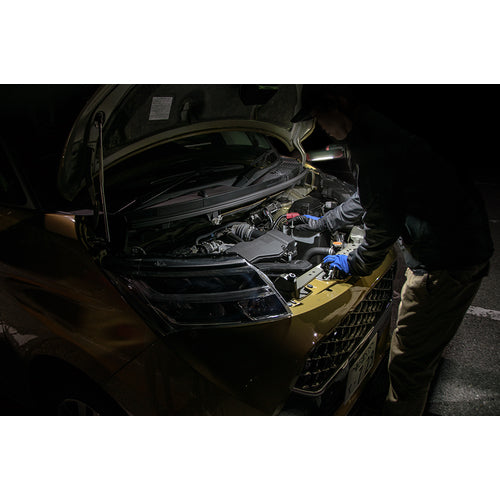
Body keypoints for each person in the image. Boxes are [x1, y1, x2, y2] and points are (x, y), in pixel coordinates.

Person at [291, 85, 494, 415]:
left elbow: (381, 226)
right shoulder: (378, 129)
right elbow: (367, 198)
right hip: (454, 249)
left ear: (337, 104)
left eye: (319, 116)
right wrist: (324, 223)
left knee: (408, 363)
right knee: (412, 348)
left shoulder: (372, 144)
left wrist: (354, 263)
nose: (320, 127)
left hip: (445, 263)